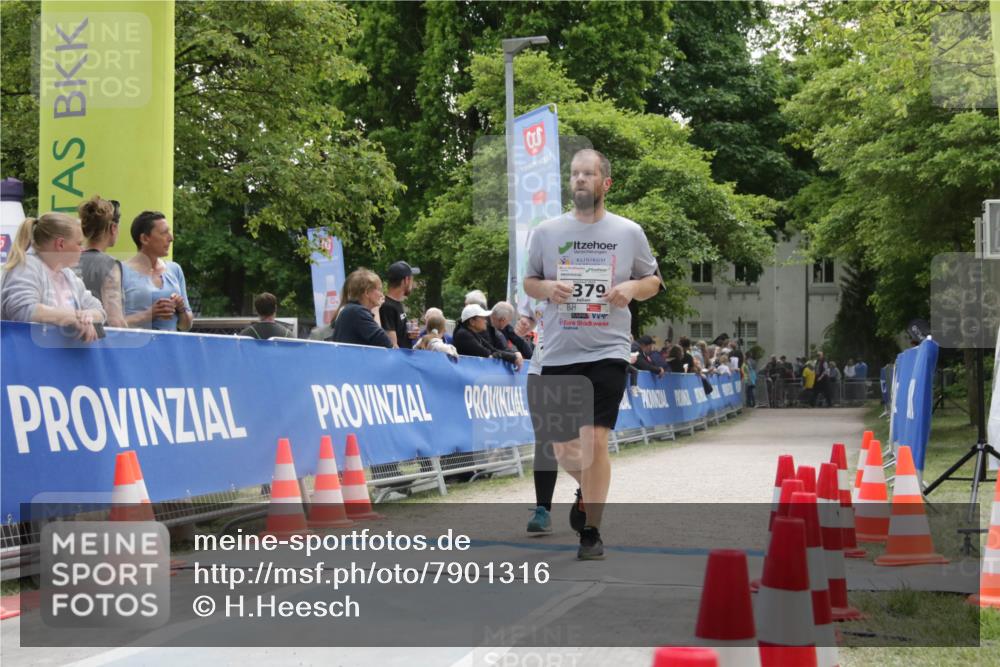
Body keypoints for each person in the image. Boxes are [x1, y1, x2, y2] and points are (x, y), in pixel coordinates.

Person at [524, 148, 662, 560]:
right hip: (560, 352)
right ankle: (588, 488)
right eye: (575, 174)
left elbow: (654, 280)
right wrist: (547, 289)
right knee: (563, 448)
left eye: (589, 174)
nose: (580, 179)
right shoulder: (547, 232)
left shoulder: (628, 232)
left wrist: (633, 289)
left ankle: (592, 532)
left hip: (608, 350)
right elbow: (530, 281)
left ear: (606, 183)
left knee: (596, 440)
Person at [1, 213, 106, 341]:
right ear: (60, 244)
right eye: (79, 243)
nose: (82, 249)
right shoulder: (26, 266)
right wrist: (72, 317)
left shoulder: (69, 275)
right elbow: (23, 310)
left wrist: (88, 316)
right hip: (25, 356)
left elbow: (99, 311)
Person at [122, 211, 193, 332]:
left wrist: (181, 309)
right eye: (164, 233)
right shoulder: (119, 271)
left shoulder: (175, 269)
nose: (171, 238)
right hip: (135, 349)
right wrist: (149, 315)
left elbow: (186, 326)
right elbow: (110, 325)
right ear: (144, 238)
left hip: (169, 349)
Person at [76, 196, 131, 328]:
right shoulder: (110, 265)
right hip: (97, 341)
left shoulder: (66, 260)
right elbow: (115, 320)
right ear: (113, 228)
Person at [330, 268, 393, 348]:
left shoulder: (350, 310)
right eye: (379, 289)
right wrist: (376, 311)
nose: (382, 294)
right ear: (367, 293)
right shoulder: (357, 312)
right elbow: (386, 344)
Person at [453, 304, 523, 369]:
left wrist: (515, 354)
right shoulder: (463, 335)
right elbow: (487, 354)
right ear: (472, 322)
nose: (485, 321)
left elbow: (493, 350)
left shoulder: (472, 332)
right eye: (483, 318)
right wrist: (513, 358)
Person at [379, 260, 420, 349]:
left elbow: (399, 333)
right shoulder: (387, 306)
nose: (412, 284)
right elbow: (393, 345)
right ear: (406, 280)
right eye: (412, 279)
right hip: (398, 360)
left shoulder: (396, 304)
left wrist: (409, 334)